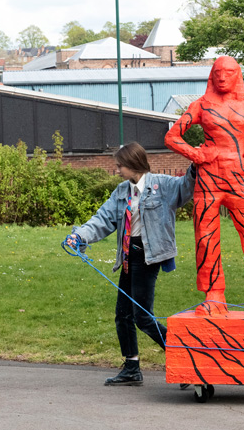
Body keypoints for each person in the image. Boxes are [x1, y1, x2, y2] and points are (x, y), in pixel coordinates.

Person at [164, 55, 244, 319]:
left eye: (228, 72)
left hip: (240, 179)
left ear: (237, 75)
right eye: (217, 71)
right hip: (207, 180)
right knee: (205, 237)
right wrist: (196, 155)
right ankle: (213, 295)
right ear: (212, 75)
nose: (222, 76)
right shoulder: (201, 106)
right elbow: (172, 136)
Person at [66, 142, 195, 386]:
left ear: (133, 164)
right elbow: (102, 219)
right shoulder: (121, 191)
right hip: (129, 256)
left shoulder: (162, 185)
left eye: (120, 166)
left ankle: (185, 359)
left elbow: (186, 187)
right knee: (123, 315)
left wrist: (195, 166)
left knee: (142, 317)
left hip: (148, 257)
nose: (117, 170)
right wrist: (80, 236)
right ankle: (132, 368)